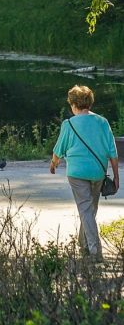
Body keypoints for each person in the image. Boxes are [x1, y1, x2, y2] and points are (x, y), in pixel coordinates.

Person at [50, 85, 119, 262]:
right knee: (89, 209)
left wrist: (54, 164)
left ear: (73, 104)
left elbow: (59, 150)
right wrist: (116, 176)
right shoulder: (102, 122)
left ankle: (95, 252)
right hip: (98, 172)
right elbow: (112, 151)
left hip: (77, 173)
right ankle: (84, 247)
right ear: (90, 103)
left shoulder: (69, 124)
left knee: (86, 210)